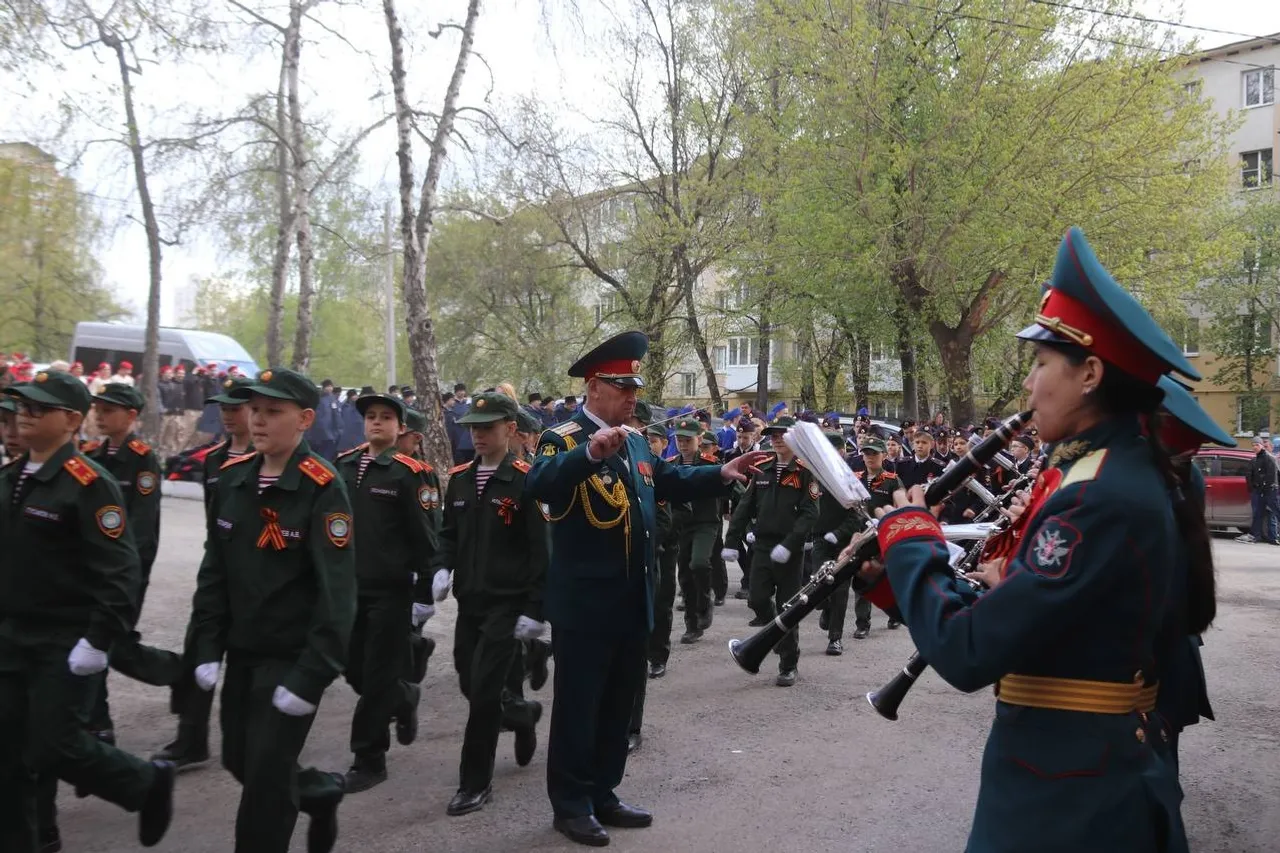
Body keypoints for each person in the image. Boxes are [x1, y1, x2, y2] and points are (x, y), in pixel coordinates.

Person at [865, 227, 1201, 853]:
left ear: (1091, 374)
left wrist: (910, 537)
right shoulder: (1106, 472)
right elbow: (1024, 624)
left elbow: (969, 653)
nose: (1028, 385)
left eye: (1042, 364)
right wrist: (886, 574)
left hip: (1070, 796)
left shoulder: (1094, 495)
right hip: (1073, 770)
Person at [525, 331, 767, 847]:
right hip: (586, 603)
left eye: (635, 386)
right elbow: (540, 485)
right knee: (579, 706)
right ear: (594, 387)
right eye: (621, 386)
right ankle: (570, 804)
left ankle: (604, 793)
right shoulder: (563, 438)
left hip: (634, 595)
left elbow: (667, 479)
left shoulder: (634, 438)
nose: (633, 395)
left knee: (620, 702)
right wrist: (588, 455)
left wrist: (721, 471)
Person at [0, 371, 175, 853]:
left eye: (38, 409)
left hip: (63, 639)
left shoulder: (88, 483)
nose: (24, 416)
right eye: (21, 408)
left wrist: (99, 640)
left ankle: (144, 782)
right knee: (9, 754)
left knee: (53, 743)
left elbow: (119, 570)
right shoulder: (11, 479)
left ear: (71, 421)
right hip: (12, 635)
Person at [187, 367, 355, 853]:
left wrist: (311, 675)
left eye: (272, 411)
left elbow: (337, 594)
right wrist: (204, 646)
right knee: (241, 761)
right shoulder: (233, 479)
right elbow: (214, 573)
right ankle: (318, 793)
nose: (257, 420)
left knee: (263, 786)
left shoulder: (322, 487)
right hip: (243, 653)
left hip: (291, 658)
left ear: (304, 419)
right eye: (253, 410)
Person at [429, 391, 547, 816]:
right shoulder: (461, 478)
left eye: (488, 427)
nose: (478, 435)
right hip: (470, 603)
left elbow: (540, 549)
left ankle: (474, 783)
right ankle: (521, 713)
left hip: (506, 603)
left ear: (510, 430)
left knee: (481, 696)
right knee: (468, 680)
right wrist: (441, 567)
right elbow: (448, 534)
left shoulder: (525, 479)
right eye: (474, 428)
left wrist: (535, 607)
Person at [333, 392, 437, 794]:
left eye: (385, 418)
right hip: (348, 588)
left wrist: (424, 590)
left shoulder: (410, 473)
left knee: (375, 674)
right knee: (351, 666)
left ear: (400, 427)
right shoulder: (343, 466)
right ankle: (403, 695)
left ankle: (369, 758)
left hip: (391, 590)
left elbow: (426, 537)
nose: (376, 423)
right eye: (371, 417)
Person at [153, 375, 256, 769]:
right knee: (199, 651)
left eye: (236, 408)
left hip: (260, 576)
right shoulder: (214, 459)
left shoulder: (277, 459)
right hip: (218, 571)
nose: (228, 416)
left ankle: (258, 738)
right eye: (225, 408)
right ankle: (190, 738)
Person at [81, 384, 181, 753]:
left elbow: (141, 526)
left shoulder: (143, 459)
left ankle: (99, 724)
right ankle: (177, 673)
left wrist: (126, 572)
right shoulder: (91, 454)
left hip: (125, 570)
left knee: (103, 641)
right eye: (98, 409)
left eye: (109, 410)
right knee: (106, 642)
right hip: (90, 568)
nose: (101, 415)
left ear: (131, 416)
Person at [1153, 376, 1227, 775]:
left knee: (1154, 781)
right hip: (1174, 646)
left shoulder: (1154, 483)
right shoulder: (1183, 475)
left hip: (1158, 655)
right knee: (1161, 777)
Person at [723, 416, 819, 686]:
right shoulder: (762, 468)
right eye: (773, 435)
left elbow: (811, 513)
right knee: (756, 598)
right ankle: (773, 633)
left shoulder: (804, 472)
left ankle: (788, 664)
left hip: (790, 550)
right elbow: (744, 507)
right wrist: (731, 541)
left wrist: (790, 544)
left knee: (788, 607)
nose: (776, 439)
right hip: (763, 545)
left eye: (781, 435)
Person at [820, 435, 896, 648]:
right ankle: (831, 617)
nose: (870, 457)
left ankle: (863, 623)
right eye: (866, 453)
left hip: (876, 535)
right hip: (851, 534)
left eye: (874, 454)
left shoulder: (891, 480)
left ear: (883, 456)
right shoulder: (853, 477)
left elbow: (898, 507)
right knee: (839, 581)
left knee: (865, 579)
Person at [667, 418, 722, 644]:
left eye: (687, 440)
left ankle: (705, 601)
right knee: (685, 577)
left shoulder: (710, 464)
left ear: (699, 440)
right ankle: (692, 624)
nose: (683, 444)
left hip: (705, 522)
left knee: (699, 563)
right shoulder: (671, 464)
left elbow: (733, 487)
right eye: (679, 440)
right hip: (681, 525)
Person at [1238, 435, 1280, 544]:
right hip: (1260, 491)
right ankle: (1255, 536)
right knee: (1258, 514)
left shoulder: (1269, 458)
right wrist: (1254, 488)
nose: (1254, 447)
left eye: (1257, 445)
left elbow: (1272, 476)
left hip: (1270, 491)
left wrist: (1267, 489)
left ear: (1262, 446)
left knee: (1276, 511)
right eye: (1253, 445)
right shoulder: (1256, 459)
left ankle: (1264, 536)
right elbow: (1252, 475)